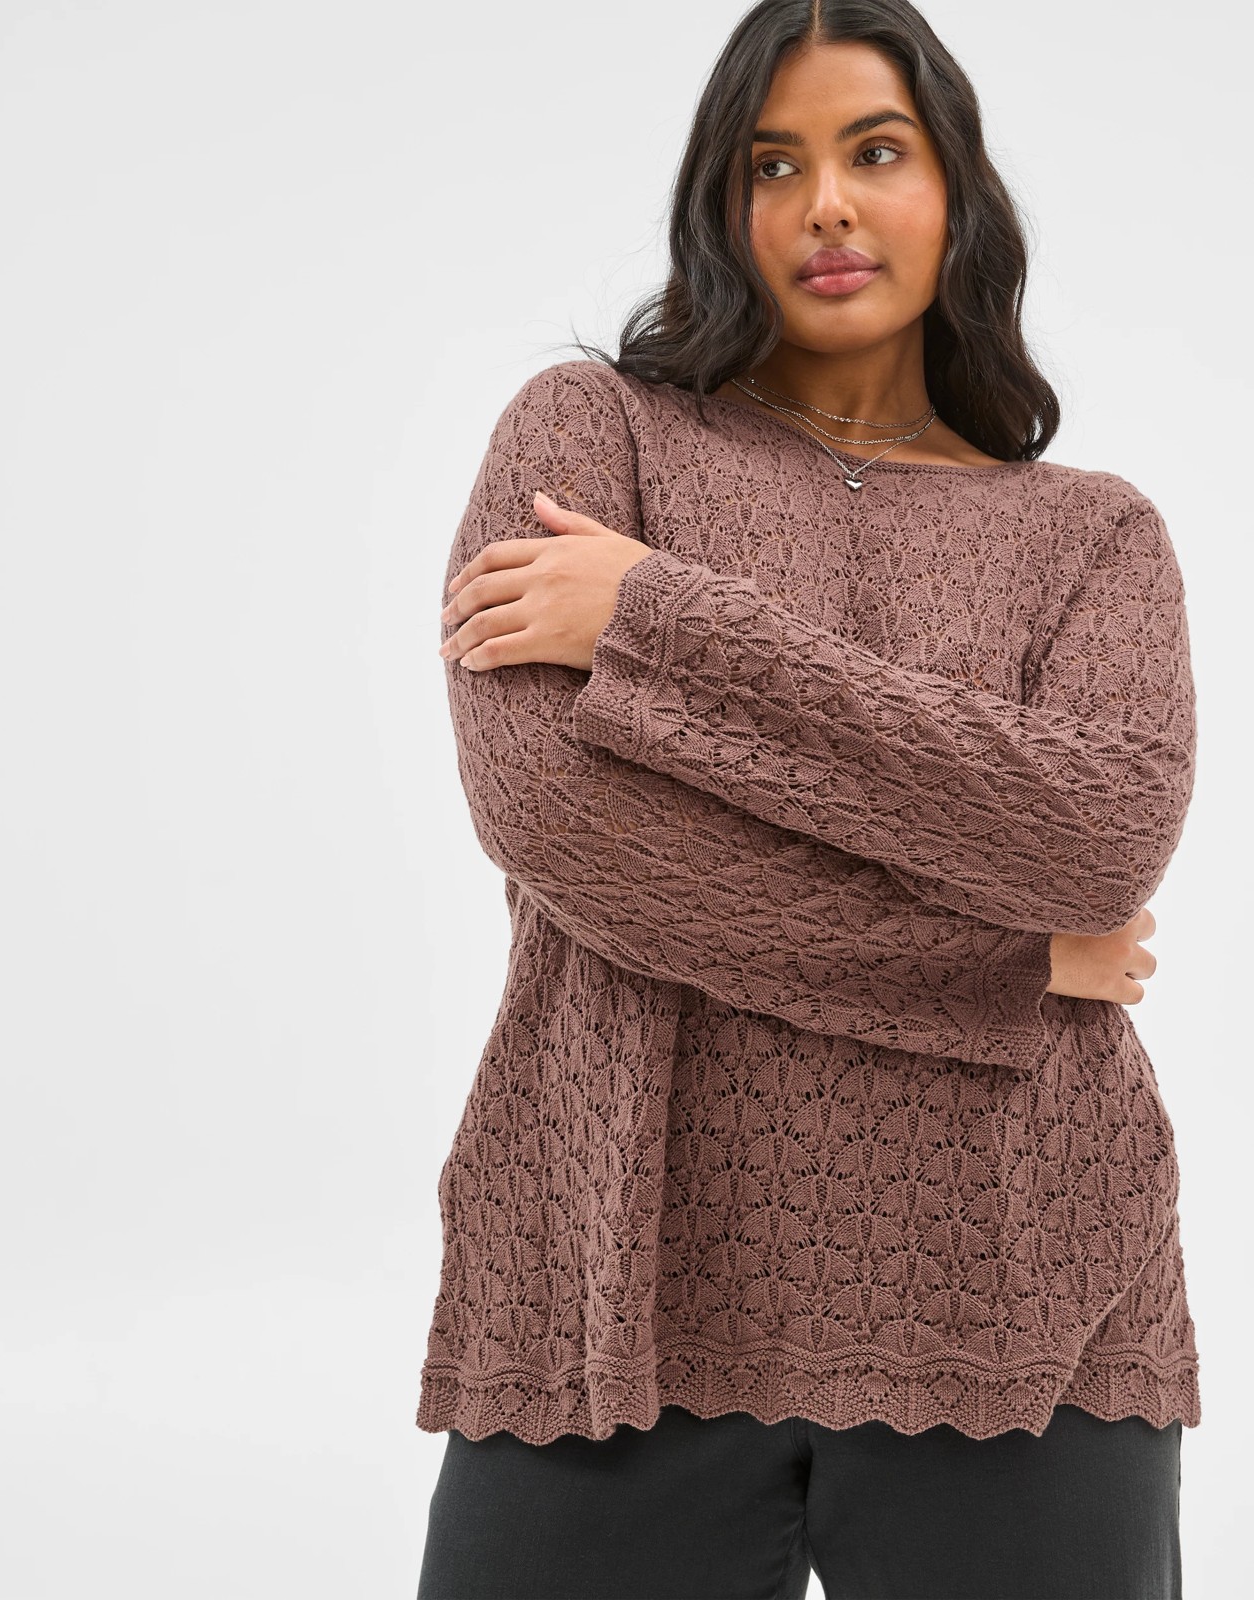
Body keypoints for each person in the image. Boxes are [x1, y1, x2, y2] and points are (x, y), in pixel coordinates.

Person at [416, 1, 1199, 1595]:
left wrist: (659, 621)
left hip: (1026, 1306)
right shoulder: (590, 439)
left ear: (957, 191)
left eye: (875, 151)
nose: (825, 203)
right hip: (616, 1302)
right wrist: (1003, 964)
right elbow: (564, 829)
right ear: (723, 206)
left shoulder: (1095, 536)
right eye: (773, 165)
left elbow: (1098, 837)